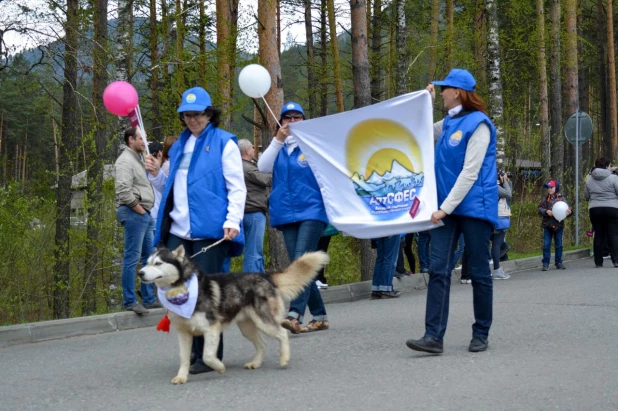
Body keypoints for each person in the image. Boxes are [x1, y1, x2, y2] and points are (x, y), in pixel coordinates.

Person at [146, 86, 246, 374]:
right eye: (187, 115)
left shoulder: (225, 142)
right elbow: (171, 188)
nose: (193, 120)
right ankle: (190, 352)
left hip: (211, 230)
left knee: (207, 294)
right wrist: (156, 175)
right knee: (179, 293)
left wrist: (232, 220)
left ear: (209, 114)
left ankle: (209, 355)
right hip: (179, 230)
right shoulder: (178, 146)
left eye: (198, 114)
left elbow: (236, 187)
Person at [406, 68, 498, 354]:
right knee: (439, 271)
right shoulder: (447, 123)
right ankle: (433, 337)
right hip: (447, 210)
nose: (442, 92)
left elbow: (470, 173)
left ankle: (481, 332)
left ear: (457, 91)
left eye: (444, 88)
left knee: (480, 272)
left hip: (473, 209)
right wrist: (426, 101)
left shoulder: (479, 124)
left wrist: (443, 209)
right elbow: (420, 132)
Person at [257, 101, 329, 334]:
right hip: (286, 213)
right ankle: (319, 316)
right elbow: (262, 167)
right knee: (300, 265)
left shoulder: (313, 145)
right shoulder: (277, 148)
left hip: (312, 210)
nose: (292, 122)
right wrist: (277, 140)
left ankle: (294, 314)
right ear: (281, 122)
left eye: (297, 117)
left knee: (300, 262)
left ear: (304, 120)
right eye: (288, 118)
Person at [115, 127, 160, 314]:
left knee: (149, 257)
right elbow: (123, 190)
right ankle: (130, 301)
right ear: (130, 140)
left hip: (144, 214)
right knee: (132, 258)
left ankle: (149, 298)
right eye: (141, 138)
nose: (144, 142)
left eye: (144, 138)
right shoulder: (125, 161)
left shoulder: (138, 159)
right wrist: (140, 210)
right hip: (135, 212)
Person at [238, 138, 271, 273]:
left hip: (246, 212)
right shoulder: (247, 168)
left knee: (254, 250)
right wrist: (276, 170)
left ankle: (259, 281)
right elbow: (266, 180)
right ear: (246, 150)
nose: (254, 149)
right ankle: (252, 285)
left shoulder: (238, 166)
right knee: (254, 251)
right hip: (253, 213)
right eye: (252, 147)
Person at [584, 156, 618, 267]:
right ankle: (616, 260)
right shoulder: (614, 178)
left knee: (598, 235)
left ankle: (598, 262)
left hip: (595, 209)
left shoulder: (589, 179)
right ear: (607, 166)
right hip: (612, 208)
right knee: (613, 234)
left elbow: (586, 196)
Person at [538, 179, 572, 271]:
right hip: (547, 225)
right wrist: (546, 211)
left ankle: (559, 262)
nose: (549, 189)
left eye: (551, 187)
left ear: (556, 188)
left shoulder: (562, 199)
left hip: (559, 225)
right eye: (548, 187)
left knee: (559, 245)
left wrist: (569, 212)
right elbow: (539, 209)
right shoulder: (545, 199)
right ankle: (545, 263)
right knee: (546, 245)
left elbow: (567, 210)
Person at [492, 170, 512, 280]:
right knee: (497, 243)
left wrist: (507, 181)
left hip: (501, 216)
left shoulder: (499, 185)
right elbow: (508, 194)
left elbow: (509, 194)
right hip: (498, 217)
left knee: (498, 243)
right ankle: (496, 269)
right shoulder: (495, 187)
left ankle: (496, 268)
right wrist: (504, 182)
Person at [316, 224, 339, 289]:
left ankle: (319, 278)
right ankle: (318, 279)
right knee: (320, 251)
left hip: (325, 227)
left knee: (321, 251)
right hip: (319, 225)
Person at [147, 141, 164, 227]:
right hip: (158, 215)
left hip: (147, 214)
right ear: (160, 154)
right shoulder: (163, 172)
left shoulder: (142, 171)